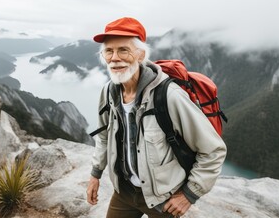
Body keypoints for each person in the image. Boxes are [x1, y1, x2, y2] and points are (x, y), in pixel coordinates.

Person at [86, 17, 227, 218]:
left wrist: (189, 194)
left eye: (123, 50)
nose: (115, 57)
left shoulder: (168, 95)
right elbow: (103, 137)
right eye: (109, 51)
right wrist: (95, 174)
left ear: (141, 54)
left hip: (164, 199)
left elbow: (213, 150)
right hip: (124, 192)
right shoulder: (109, 92)